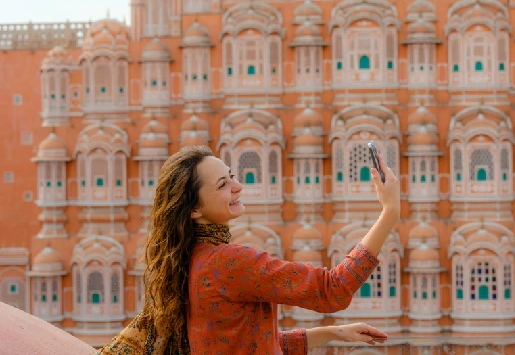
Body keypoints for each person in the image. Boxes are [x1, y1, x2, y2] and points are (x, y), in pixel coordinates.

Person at [97, 145, 400, 354]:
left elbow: (246, 343)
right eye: (222, 185)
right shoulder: (229, 262)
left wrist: (334, 333)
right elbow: (332, 289)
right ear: (194, 210)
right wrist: (390, 212)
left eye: (231, 176)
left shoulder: (189, 259)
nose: (237, 185)